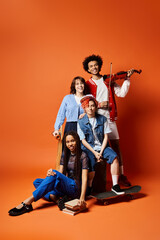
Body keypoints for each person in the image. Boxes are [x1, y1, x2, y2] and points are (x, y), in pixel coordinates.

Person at [82, 54, 134, 187]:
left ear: (99, 65)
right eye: (91, 66)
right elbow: (84, 102)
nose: (94, 67)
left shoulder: (109, 80)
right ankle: (95, 182)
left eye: (95, 65)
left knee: (116, 146)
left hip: (109, 118)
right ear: (88, 69)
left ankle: (121, 175)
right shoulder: (87, 84)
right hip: (96, 120)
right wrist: (98, 105)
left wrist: (127, 79)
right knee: (98, 147)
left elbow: (121, 93)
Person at [8, 131, 89, 216]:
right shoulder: (65, 154)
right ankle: (56, 199)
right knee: (37, 182)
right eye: (68, 142)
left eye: (72, 141)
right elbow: (60, 174)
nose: (70, 144)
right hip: (65, 188)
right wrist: (51, 173)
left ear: (77, 141)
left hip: (75, 188)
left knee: (53, 176)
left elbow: (84, 178)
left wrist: (82, 197)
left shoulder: (83, 156)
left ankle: (28, 202)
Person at [77, 95, 125, 195]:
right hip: (89, 148)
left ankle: (115, 186)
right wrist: (95, 153)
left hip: (102, 146)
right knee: (90, 164)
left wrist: (101, 152)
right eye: (88, 106)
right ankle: (89, 187)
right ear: (84, 107)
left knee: (114, 158)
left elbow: (106, 137)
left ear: (96, 107)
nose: (90, 108)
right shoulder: (80, 122)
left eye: (93, 106)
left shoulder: (102, 119)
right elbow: (83, 141)